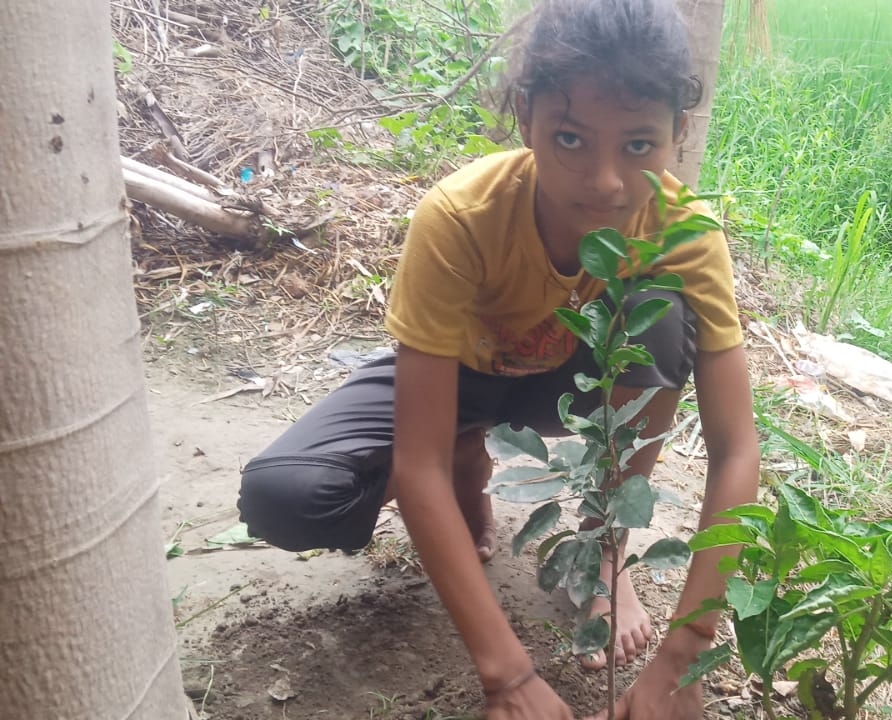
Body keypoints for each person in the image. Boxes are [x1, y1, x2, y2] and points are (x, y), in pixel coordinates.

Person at [237, 0, 760, 717]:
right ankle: (469, 460)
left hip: (576, 383)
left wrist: (685, 650)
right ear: (525, 117)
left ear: (679, 132)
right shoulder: (460, 216)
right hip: (461, 377)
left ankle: (604, 544)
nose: (604, 179)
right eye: (570, 137)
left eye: (639, 146)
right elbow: (411, 462)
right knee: (286, 497)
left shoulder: (684, 233)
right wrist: (507, 676)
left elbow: (737, 448)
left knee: (663, 317)